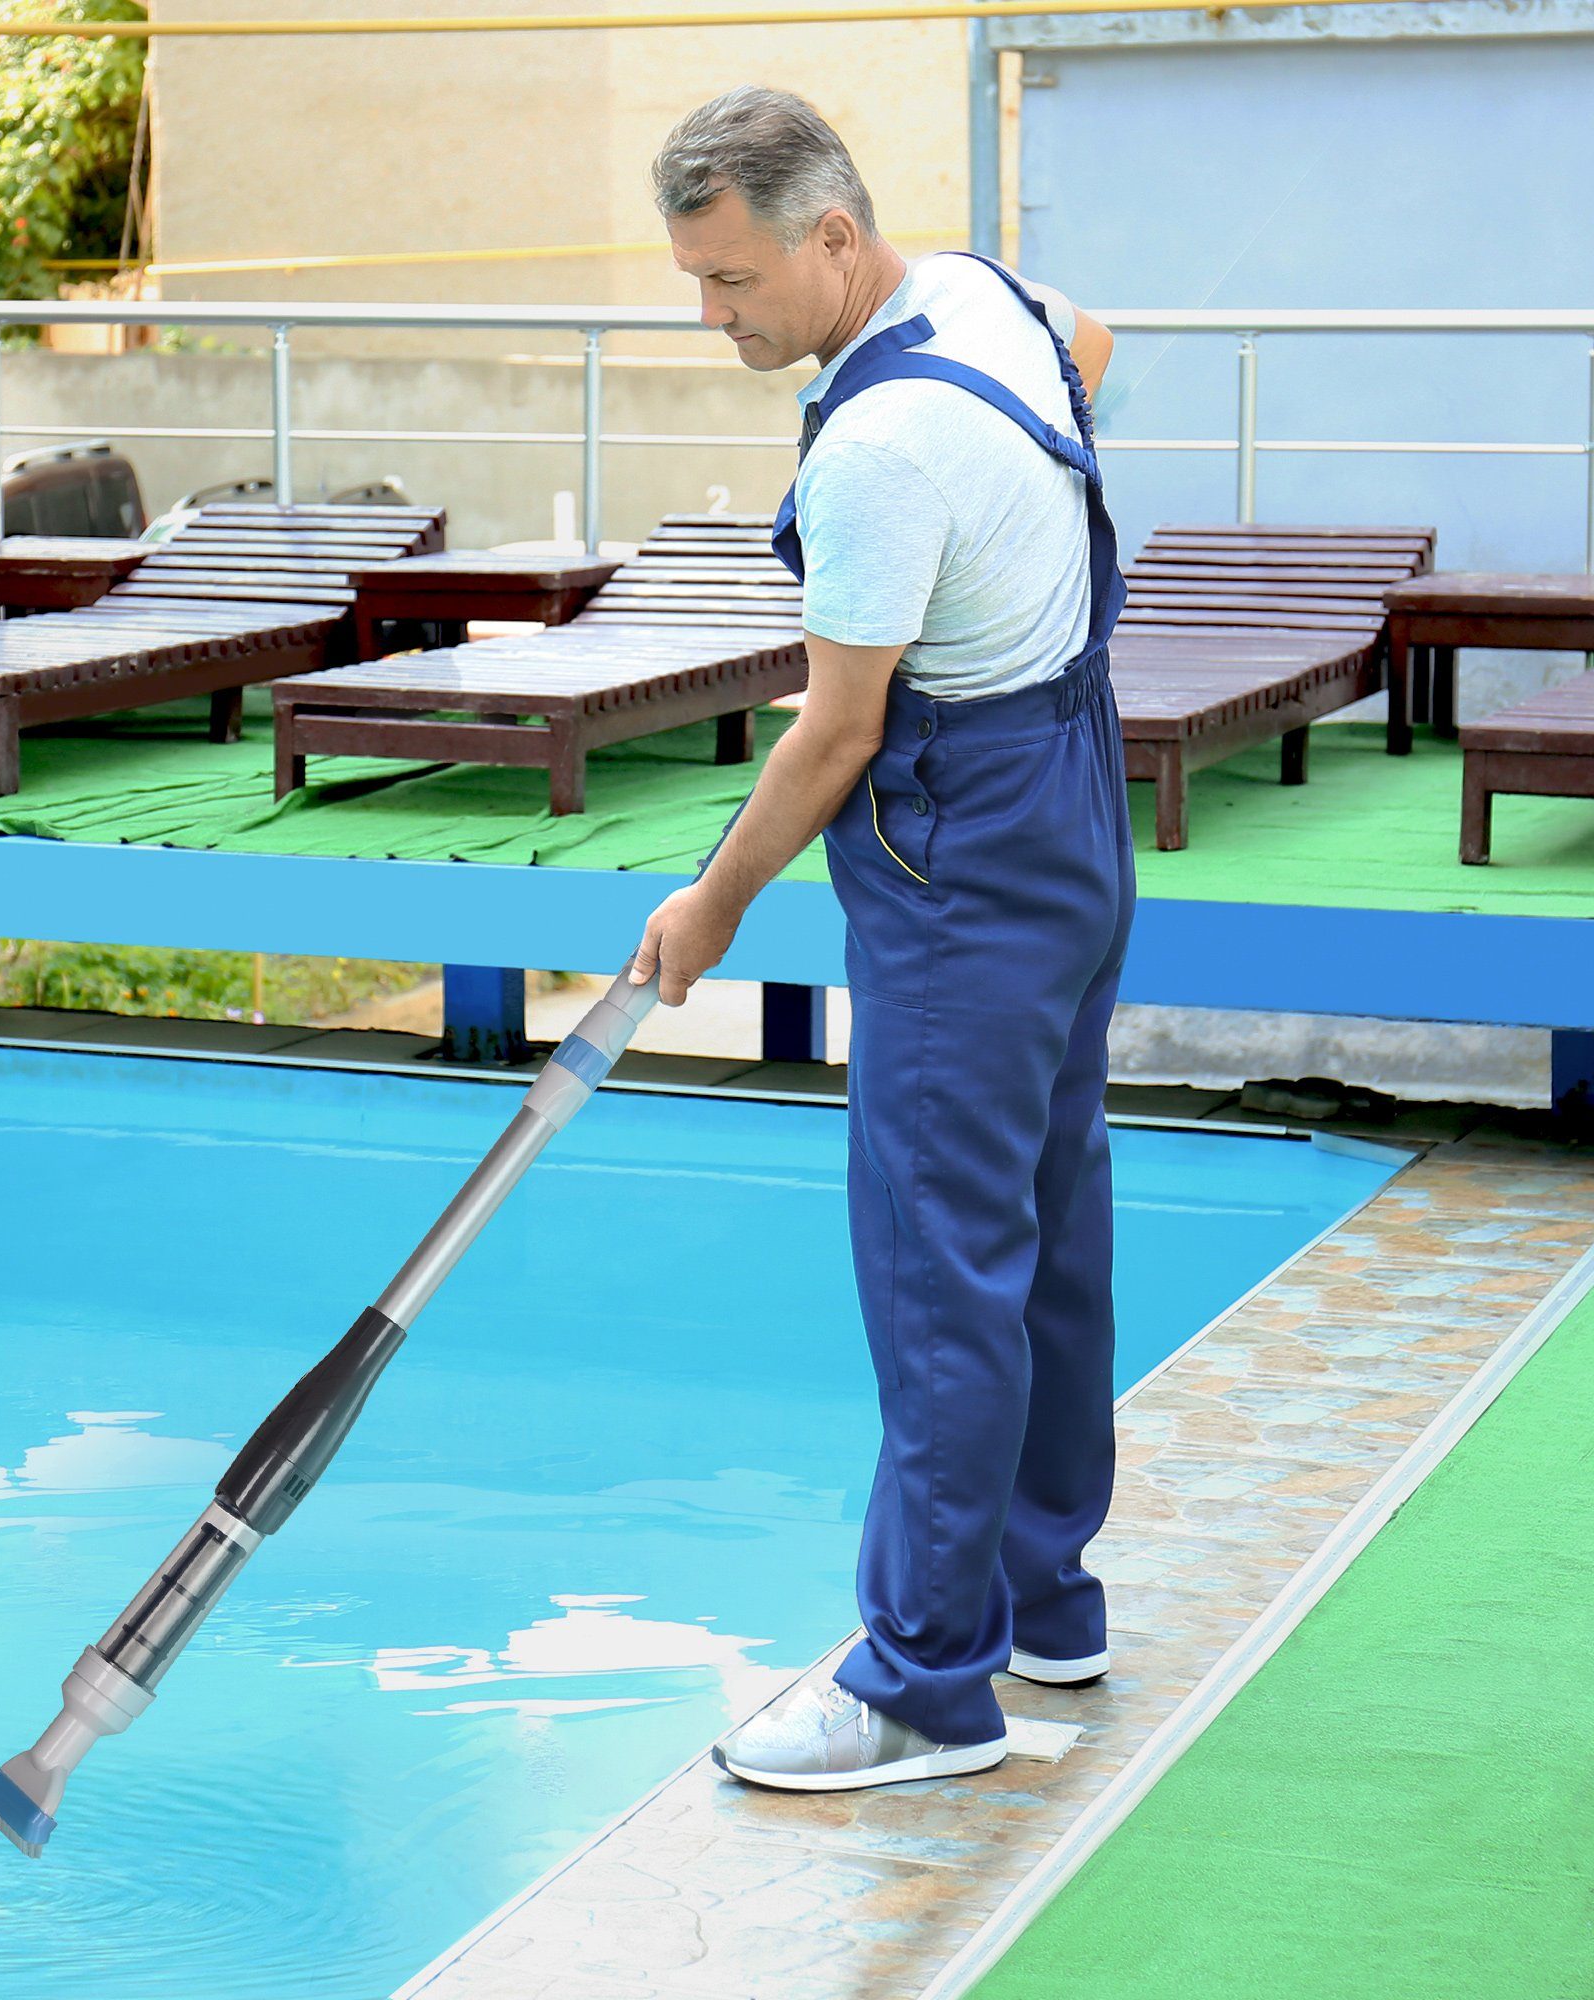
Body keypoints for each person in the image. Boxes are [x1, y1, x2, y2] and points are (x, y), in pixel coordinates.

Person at [628, 85, 1134, 1792]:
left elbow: (835, 736)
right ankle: (1045, 1597)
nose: (714, 319)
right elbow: (1096, 341)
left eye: (731, 281)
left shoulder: (872, 450)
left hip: (964, 856)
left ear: (831, 239)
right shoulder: (987, 294)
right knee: (1048, 1220)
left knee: (941, 1273)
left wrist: (708, 907)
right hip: (1075, 801)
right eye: (696, 280)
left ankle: (924, 1682)